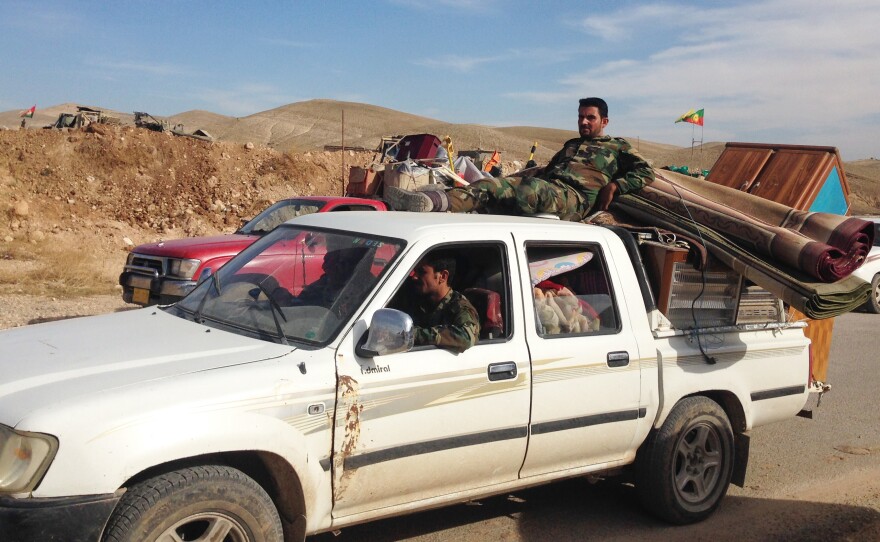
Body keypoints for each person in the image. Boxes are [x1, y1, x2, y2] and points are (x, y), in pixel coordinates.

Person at [385, 97, 654, 222]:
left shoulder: (617, 147)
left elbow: (646, 171)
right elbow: (548, 171)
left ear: (604, 121)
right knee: (495, 189)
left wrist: (615, 186)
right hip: (550, 190)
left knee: (519, 189)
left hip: (575, 199)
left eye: (590, 117)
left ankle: (437, 202)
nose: (583, 121)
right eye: (581, 116)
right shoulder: (572, 145)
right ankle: (434, 202)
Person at [391, 252, 480, 353]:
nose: (415, 277)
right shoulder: (417, 298)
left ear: (442, 276)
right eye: (415, 271)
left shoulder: (460, 307)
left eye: (422, 272)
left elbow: (466, 337)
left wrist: (413, 335)